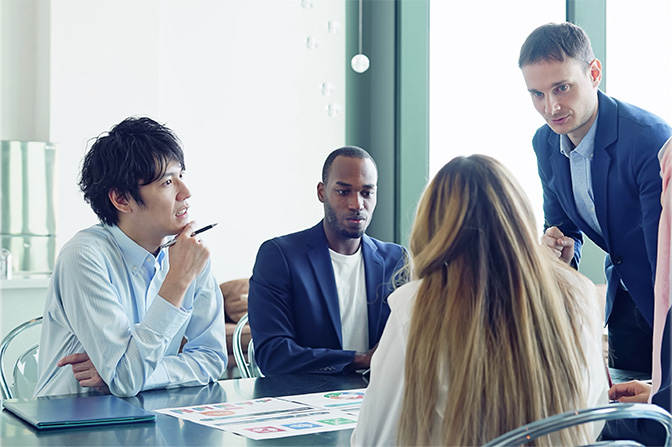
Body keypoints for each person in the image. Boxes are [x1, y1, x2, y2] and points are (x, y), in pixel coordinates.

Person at [351, 155, 609, 446]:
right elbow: (593, 414)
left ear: (433, 225)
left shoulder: (418, 304)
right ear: (520, 216)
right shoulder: (579, 291)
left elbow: (374, 439)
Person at [34, 117, 228, 397]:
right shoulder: (83, 257)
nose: (185, 193)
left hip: (148, 417)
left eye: (181, 177)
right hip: (71, 426)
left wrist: (137, 374)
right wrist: (177, 281)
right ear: (122, 199)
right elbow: (126, 379)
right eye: (167, 182)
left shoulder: (191, 254)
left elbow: (211, 359)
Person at [519, 22, 672, 374]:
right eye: (537, 94)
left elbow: (662, 255)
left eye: (562, 87)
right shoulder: (544, 144)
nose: (551, 106)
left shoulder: (647, 139)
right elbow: (562, 225)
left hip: (664, 299)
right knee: (625, 414)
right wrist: (560, 248)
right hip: (623, 303)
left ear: (594, 73)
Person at [247, 146, 406, 375]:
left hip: (381, 394)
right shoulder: (280, 256)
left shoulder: (396, 260)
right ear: (322, 192)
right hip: (307, 400)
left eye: (367, 193)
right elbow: (273, 355)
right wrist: (360, 360)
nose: (357, 204)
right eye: (343, 192)